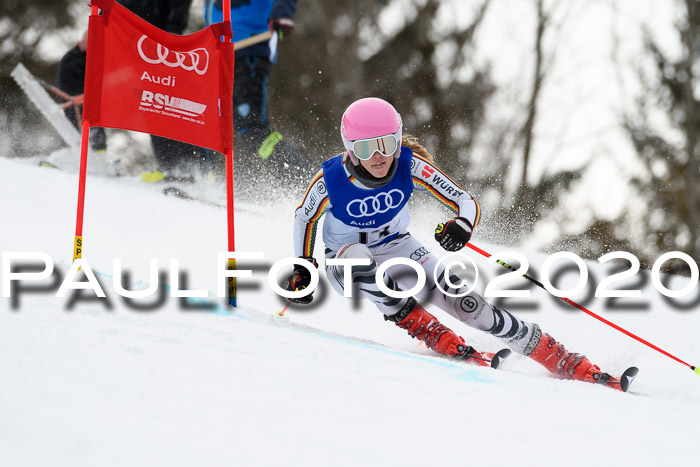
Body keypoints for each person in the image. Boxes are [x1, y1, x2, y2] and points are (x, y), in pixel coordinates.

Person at [286, 97, 624, 389]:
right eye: (365, 148)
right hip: (345, 258)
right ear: (350, 149)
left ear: (397, 139)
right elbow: (305, 218)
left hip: (396, 245)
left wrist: (461, 225)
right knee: (359, 261)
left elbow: (465, 201)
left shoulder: (410, 166)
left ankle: (555, 354)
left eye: (387, 144)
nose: (378, 156)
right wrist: (304, 267)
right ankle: (426, 328)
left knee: (468, 306)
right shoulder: (330, 181)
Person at [56, 0, 206, 179]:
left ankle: (183, 168)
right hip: (118, 37)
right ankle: (91, 149)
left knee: (161, 91)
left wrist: (167, 40)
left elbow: (176, 17)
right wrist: (94, 29)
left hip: (153, 45)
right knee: (73, 65)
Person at [204, 0, 310, 179]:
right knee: (204, 115)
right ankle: (196, 174)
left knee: (252, 127)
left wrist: (282, 13)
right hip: (220, 53)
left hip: (248, 49)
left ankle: (303, 183)